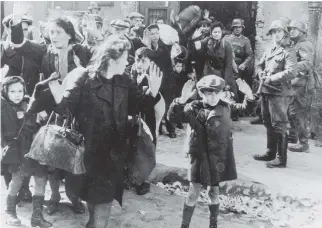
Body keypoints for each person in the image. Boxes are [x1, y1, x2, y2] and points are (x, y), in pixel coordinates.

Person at [43, 35, 163, 228]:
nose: (128, 61)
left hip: (114, 152)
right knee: (94, 197)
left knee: (104, 201)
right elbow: (67, 109)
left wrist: (153, 92)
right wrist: (59, 99)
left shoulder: (125, 80)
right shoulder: (86, 78)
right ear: (113, 58)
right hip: (88, 151)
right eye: (125, 57)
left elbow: (139, 105)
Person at [9, 5, 96, 217]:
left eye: (58, 32)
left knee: (77, 155)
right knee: (52, 158)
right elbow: (20, 45)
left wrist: (95, 37)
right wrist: (17, 20)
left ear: (69, 34)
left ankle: (74, 197)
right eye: (51, 32)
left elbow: (99, 63)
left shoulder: (81, 52)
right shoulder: (44, 52)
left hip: (78, 114)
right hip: (52, 113)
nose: (53, 36)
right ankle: (55, 196)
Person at [168, 75, 247, 228]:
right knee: (193, 191)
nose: (213, 97)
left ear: (221, 93)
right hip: (199, 156)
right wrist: (181, 100)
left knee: (214, 192)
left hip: (217, 157)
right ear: (202, 93)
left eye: (216, 93)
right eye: (209, 93)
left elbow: (245, 109)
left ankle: (213, 224)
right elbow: (172, 118)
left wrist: (249, 97)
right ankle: (184, 225)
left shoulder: (226, 106)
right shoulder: (193, 107)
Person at [1, 76, 51, 227]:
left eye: (20, 91)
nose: (17, 94)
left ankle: (37, 215)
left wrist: (41, 115)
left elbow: (40, 123)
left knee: (41, 179)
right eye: (12, 91)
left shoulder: (30, 105)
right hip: (17, 151)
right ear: (5, 91)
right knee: (17, 180)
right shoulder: (3, 106)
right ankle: (10, 211)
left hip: (34, 149)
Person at [253, 19, 297, 168]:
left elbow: (291, 72)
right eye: (273, 32)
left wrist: (271, 78)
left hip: (279, 93)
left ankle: (281, 158)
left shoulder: (288, 51)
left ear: (284, 34)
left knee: (279, 124)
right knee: (267, 121)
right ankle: (270, 152)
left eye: (279, 31)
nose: (276, 35)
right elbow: (259, 65)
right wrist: (260, 74)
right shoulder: (269, 50)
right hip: (265, 91)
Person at [129, 47, 166, 195]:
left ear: (150, 62)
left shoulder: (153, 76)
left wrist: (150, 90)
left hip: (148, 115)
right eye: (138, 60)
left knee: (148, 146)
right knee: (133, 147)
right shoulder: (131, 75)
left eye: (144, 61)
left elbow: (156, 99)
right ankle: (132, 176)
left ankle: (145, 181)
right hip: (133, 116)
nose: (139, 64)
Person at [287, 20, 315, 153]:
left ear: (302, 31)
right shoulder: (296, 43)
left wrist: (290, 67)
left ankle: (303, 143)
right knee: (293, 111)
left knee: (299, 113)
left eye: (295, 29)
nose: (291, 31)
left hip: (302, 83)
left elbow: (307, 63)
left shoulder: (304, 44)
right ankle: (294, 138)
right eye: (290, 29)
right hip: (296, 82)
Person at [144, 24, 176, 138]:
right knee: (154, 105)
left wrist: (170, 82)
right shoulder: (145, 49)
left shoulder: (164, 48)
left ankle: (170, 128)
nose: (155, 36)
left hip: (165, 81)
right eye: (152, 34)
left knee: (167, 106)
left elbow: (169, 67)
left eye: (157, 33)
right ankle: (156, 128)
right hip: (152, 81)